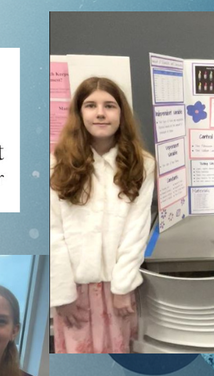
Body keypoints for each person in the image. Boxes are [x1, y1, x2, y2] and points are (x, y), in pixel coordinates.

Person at [51, 77, 156, 353]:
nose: (100, 113)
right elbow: (52, 233)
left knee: (117, 363)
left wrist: (123, 287)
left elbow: (136, 229)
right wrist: (61, 294)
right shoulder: (57, 165)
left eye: (109, 105)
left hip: (117, 288)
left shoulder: (142, 165)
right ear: (79, 113)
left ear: (121, 113)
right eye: (90, 105)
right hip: (73, 290)